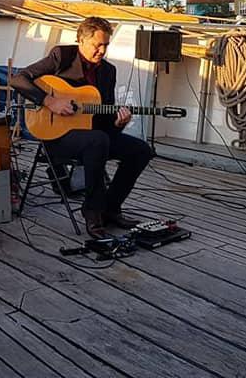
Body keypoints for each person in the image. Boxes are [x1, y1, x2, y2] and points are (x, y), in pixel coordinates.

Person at [10, 16, 153, 237]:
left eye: (106, 45)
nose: (102, 50)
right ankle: (92, 211)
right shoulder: (61, 57)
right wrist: (50, 101)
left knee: (141, 150)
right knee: (98, 141)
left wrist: (118, 123)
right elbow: (18, 79)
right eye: (98, 45)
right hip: (57, 137)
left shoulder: (108, 71)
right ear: (81, 40)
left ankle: (110, 208)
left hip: (94, 136)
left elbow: (104, 119)